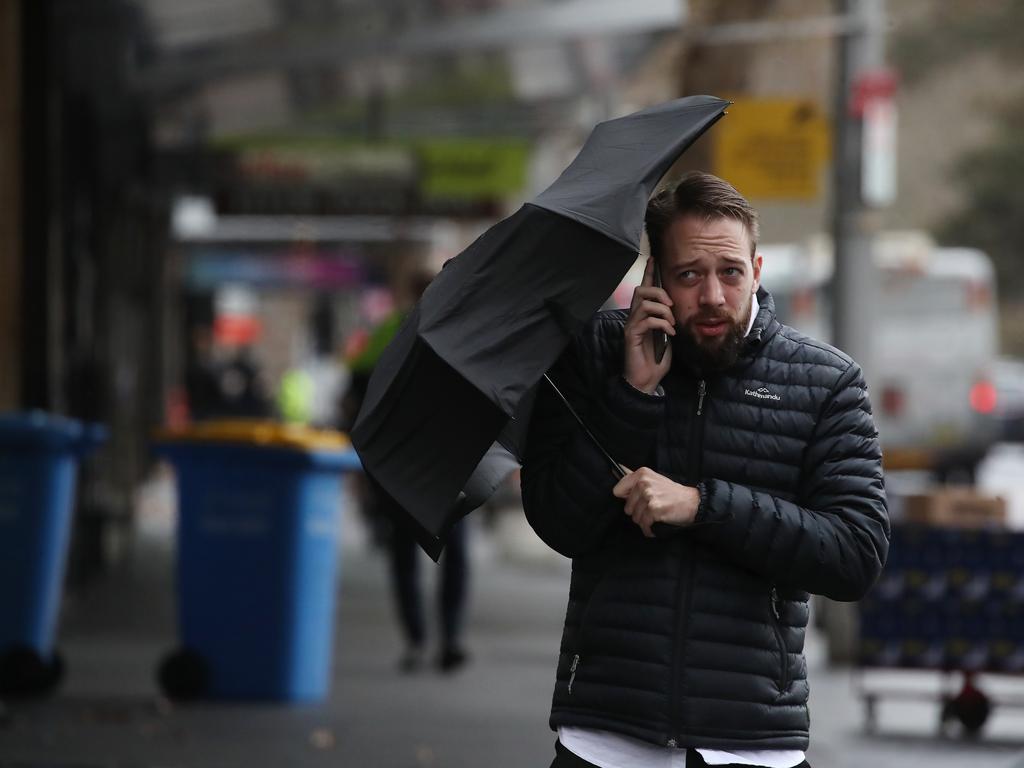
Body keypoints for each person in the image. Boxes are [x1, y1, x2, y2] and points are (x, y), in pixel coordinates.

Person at [522, 172, 890, 768]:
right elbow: (557, 522)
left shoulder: (824, 382)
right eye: (690, 275)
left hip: (753, 740)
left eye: (731, 273)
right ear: (655, 278)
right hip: (607, 735)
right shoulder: (594, 355)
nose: (714, 296)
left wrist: (702, 505)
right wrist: (633, 394)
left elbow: (855, 556)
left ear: (757, 270)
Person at [341, 268, 472, 674]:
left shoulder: (388, 333)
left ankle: (424, 639)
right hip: (445, 463)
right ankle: (441, 638)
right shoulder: (461, 334)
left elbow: (355, 397)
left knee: (409, 554)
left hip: (407, 465)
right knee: (449, 554)